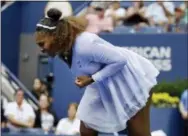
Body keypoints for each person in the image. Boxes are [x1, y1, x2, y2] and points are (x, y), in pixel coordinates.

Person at [35, 8, 159, 136]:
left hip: (130, 81)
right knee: (86, 128)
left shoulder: (84, 44)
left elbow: (120, 61)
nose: (41, 50)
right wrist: (89, 79)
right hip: (102, 84)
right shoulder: (64, 51)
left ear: (55, 37)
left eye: (42, 44)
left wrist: (91, 79)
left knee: (138, 133)